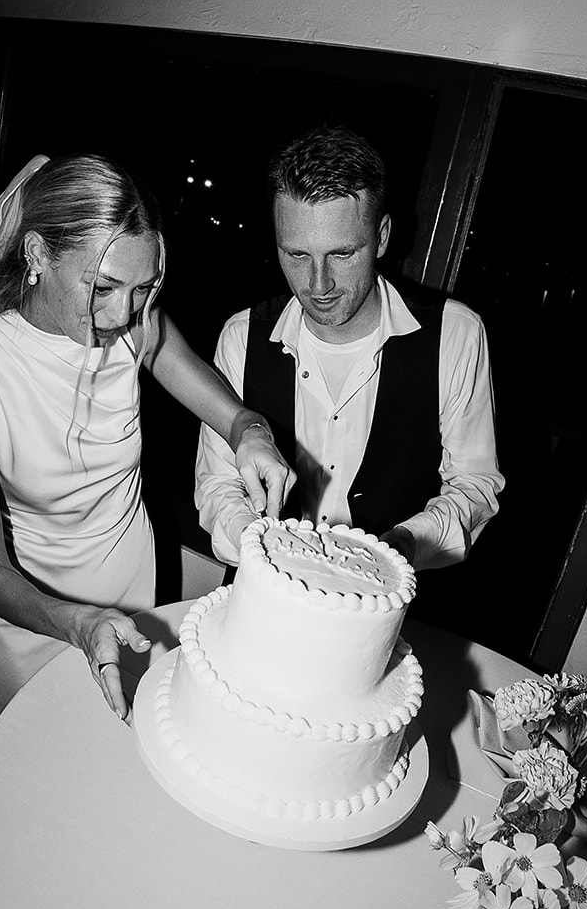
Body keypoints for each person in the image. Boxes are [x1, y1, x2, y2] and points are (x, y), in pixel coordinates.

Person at [0, 152, 291, 727]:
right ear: (38, 254)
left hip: (133, 603)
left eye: (142, 288)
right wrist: (78, 622)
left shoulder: (136, 323)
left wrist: (253, 436)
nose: (123, 314)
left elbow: (236, 417)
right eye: (102, 287)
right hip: (33, 621)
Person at [194, 128, 503, 603]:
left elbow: (475, 486)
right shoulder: (242, 336)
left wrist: (400, 547)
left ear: (380, 237)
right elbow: (217, 486)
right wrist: (263, 549)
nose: (319, 284)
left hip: (389, 611)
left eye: (341, 253)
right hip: (262, 602)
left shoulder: (456, 334)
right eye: (297, 254)